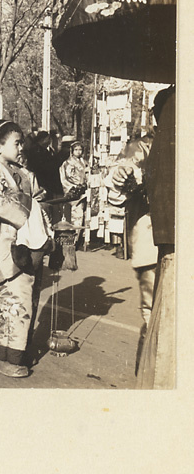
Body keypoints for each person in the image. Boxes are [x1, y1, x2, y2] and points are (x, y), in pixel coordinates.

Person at [0, 121, 52, 378]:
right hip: (5, 244)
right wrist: (32, 205)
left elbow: (38, 198)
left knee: (26, 297)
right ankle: (9, 357)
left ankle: (12, 352)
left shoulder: (23, 172)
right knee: (15, 300)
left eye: (21, 142)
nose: (21, 147)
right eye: (16, 143)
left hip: (29, 242)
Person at [105, 133, 156, 374]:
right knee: (153, 312)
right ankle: (148, 378)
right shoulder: (143, 146)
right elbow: (117, 181)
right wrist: (120, 176)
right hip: (152, 238)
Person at [59, 141, 88, 237]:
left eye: (80, 150)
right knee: (76, 214)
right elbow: (70, 176)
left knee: (84, 214)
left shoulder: (84, 162)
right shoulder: (68, 163)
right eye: (76, 150)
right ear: (72, 151)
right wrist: (81, 183)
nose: (78, 152)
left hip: (84, 189)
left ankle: (81, 236)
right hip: (75, 189)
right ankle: (74, 237)